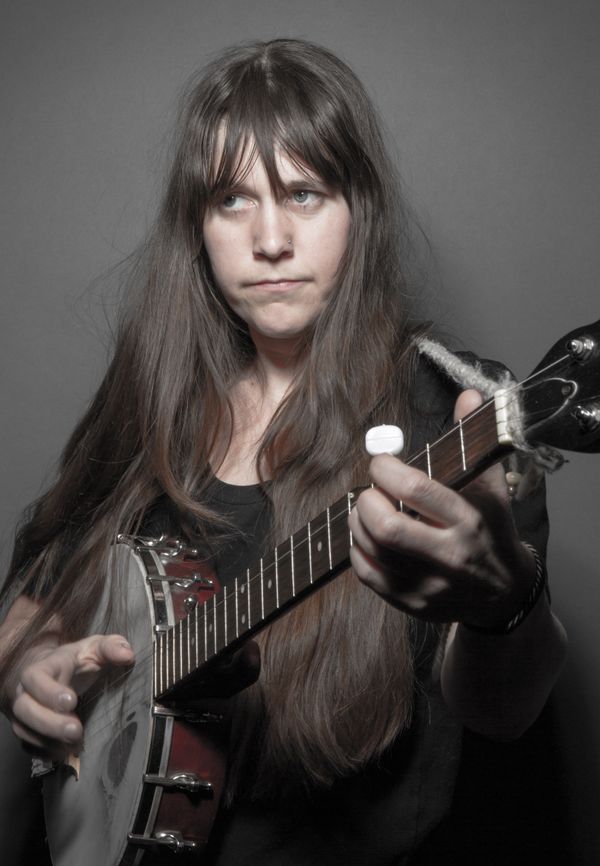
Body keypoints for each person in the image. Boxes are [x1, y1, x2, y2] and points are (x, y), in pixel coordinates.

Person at [0, 39, 566, 864]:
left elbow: (505, 712)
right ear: (197, 226)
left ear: (359, 209)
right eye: (232, 199)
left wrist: (502, 604)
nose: (270, 239)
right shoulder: (155, 396)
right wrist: (30, 668)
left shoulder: (456, 413)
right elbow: (36, 584)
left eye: (304, 193)